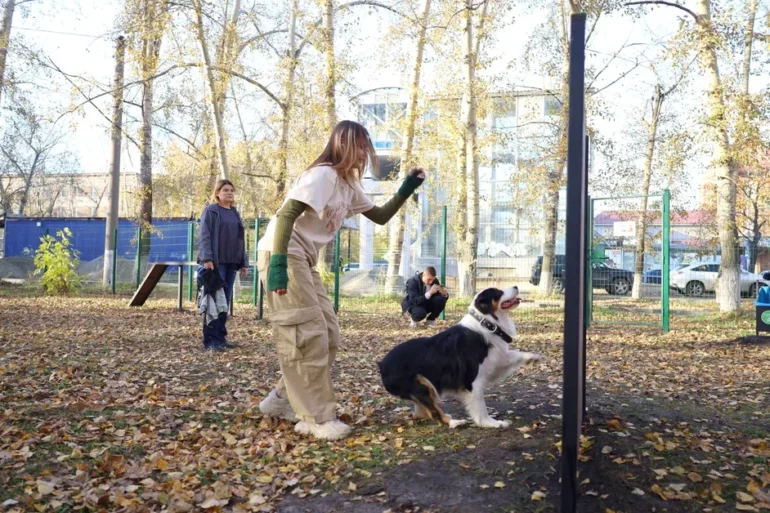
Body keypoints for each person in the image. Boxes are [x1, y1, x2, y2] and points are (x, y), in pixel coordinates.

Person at [256, 120, 425, 440]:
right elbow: (287, 214)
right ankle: (316, 418)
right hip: (283, 253)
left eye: (366, 147)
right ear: (342, 145)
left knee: (328, 333)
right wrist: (278, 265)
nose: (364, 154)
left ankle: (282, 400)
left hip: (305, 259)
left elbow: (380, 216)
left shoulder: (349, 185)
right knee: (306, 333)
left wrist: (405, 189)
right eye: (359, 146)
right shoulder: (323, 175)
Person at [197, 179, 249, 352]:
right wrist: (207, 258)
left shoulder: (234, 212)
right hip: (216, 264)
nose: (229, 193)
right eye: (225, 190)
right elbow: (204, 235)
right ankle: (210, 340)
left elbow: (241, 239)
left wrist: (243, 263)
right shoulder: (211, 211)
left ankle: (221, 337)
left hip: (232, 262)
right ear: (217, 193)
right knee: (213, 302)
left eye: (232, 190)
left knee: (224, 302)